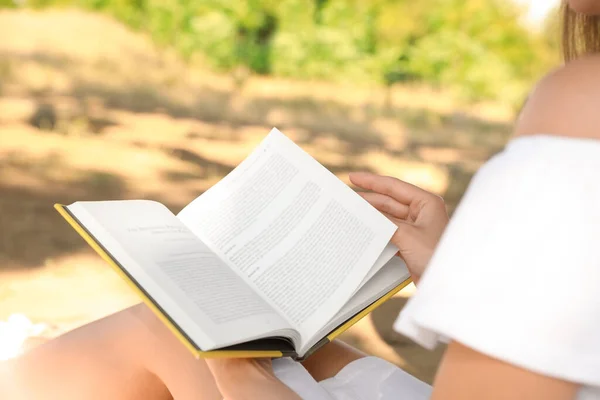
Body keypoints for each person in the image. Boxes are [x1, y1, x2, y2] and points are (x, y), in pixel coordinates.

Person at [2, 0, 600, 398]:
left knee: (169, 331)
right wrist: (452, 275)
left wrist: (225, 366)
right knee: (308, 355)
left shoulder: (581, 97)